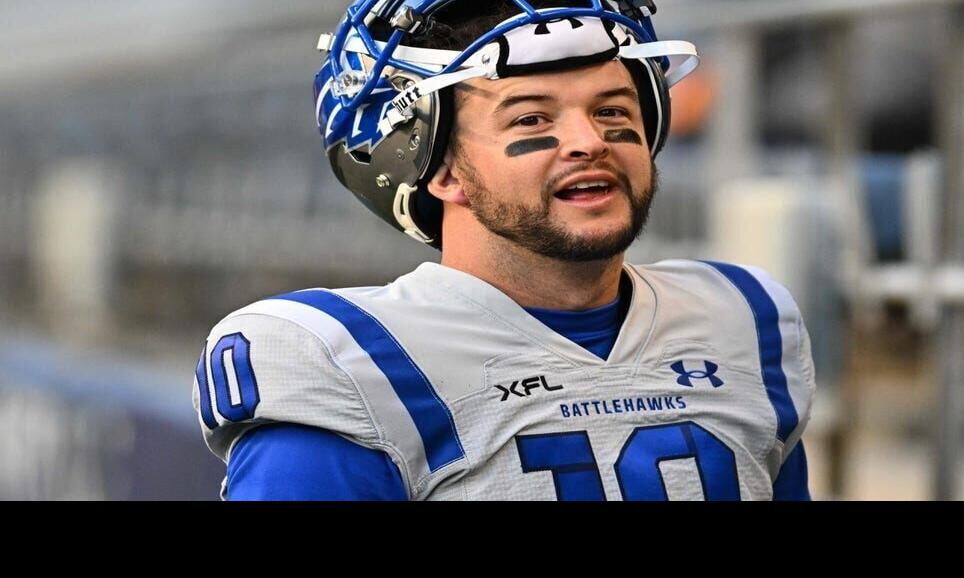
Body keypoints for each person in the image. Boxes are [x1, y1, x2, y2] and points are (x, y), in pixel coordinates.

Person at [192, 0, 815, 501]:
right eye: (531, 121)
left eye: (612, 109)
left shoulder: (742, 319)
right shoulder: (350, 367)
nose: (588, 141)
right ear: (437, 168)